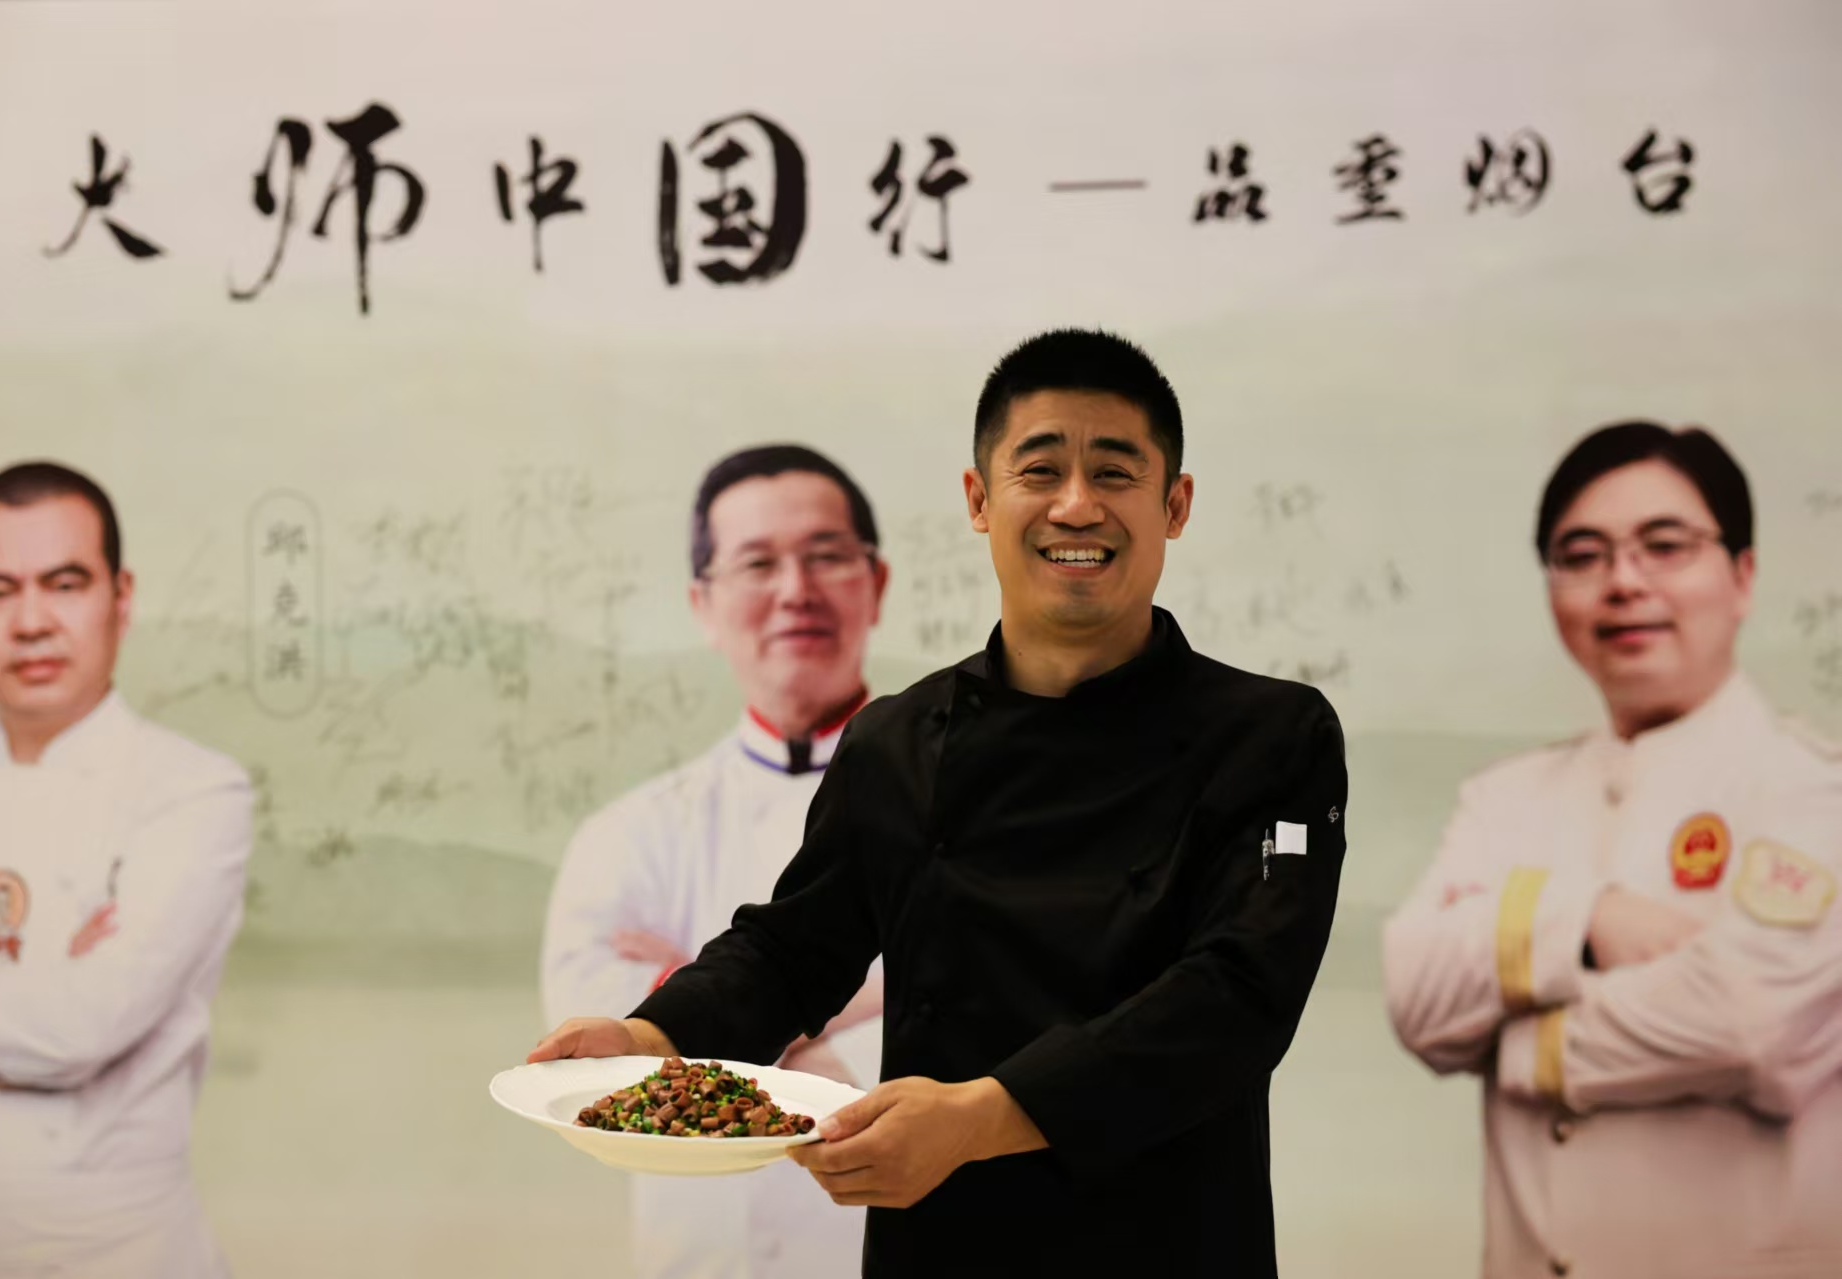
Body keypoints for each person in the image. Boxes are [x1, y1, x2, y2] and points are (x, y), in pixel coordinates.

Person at [532, 329, 1349, 1276]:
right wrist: (650, 1035)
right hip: (944, 1244)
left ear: (1175, 505)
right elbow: (792, 949)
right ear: (977, 500)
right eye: (1038, 470)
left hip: (1169, 1243)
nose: (1075, 505)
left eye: (1114, 472)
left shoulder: (1270, 735)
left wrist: (978, 1116)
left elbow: (1235, 999)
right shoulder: (897, 740)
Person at [1383, 422, 1842, 1279]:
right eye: (1581, 555)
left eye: (1664, 546)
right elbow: (1413, 992)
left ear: (1741, 575)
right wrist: (1585, 921)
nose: (1623, 581)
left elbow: (1748, 1025)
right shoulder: (1505, 797)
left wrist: (1517, 1044)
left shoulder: (1813, 791)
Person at [540, 444, 889, 1279]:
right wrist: (865, 1002)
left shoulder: (963, 811)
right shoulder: (626, 834)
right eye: (757, 563)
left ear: (875, 582)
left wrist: (691, 996)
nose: (794, 589)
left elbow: (975, 1043)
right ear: (702, 603)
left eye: (825, 555)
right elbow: (604, 1070)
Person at [0, 462, 253, 1277]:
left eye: (64, 583)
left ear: (120, 596)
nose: (31, 621)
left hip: (127, 1251)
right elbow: (59, 1017)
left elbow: (84, 1027)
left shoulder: (193, 789)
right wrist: (37, 979)